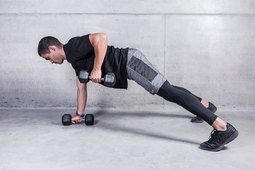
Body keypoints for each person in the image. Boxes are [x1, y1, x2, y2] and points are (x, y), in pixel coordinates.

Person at [37, 33, 238, 151]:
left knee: (167, 91)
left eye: (47, 58)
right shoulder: (74, 60)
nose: (50, 62)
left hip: (131, 62)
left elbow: (100, 37)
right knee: (169, 89)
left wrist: (98, 68)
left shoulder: (72, 46)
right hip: (129, 66)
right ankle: (205, 106)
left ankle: (222, 128)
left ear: (53, 48)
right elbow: (80, 87)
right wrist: (79, 115)